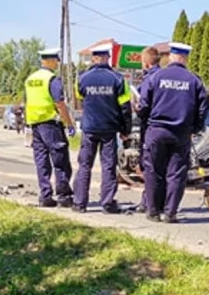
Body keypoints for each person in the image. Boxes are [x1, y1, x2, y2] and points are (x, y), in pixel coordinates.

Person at [137, 42, 209, 223]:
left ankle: (153, 211)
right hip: (181, 133)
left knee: (153, 170)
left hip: (157, 130)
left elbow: (144, 104)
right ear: (185, 58)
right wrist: (195, 128)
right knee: (176, 173)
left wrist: (144, 120)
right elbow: (203, 108)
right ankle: (170, 212)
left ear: (170, 56)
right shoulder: (194, 80)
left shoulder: (157, 76)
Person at [72, 44, 132, 214]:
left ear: (93, 58)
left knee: (84, 165)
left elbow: (81, 100)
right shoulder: (118, 79)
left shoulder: (82, 78)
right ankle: (107, 203)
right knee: (108, 166)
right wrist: (125, 129)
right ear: (107, 57)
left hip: (89, 128)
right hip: (109, 129)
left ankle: (79, 203)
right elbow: (125, 107)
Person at [24, 48, 77, 208]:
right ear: (50, 61)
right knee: (60, 160)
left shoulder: (29, 79)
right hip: (51, 125)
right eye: (56, 60)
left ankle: (45, 196)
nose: (58, 63)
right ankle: (63, 196)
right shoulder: (52, 79)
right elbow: (59, 104)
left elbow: (26, 101)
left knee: (42, 161)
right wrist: (69, 124)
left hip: (35, 125)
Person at [135, 46, 162, 209]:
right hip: (170, 128)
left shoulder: (150, 79)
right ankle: (162, 202)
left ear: (145, 63)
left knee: (149, 165)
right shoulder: (165, 76)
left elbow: (144, 105)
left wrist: (137, 108)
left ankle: (148, 202)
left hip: (151, 127)